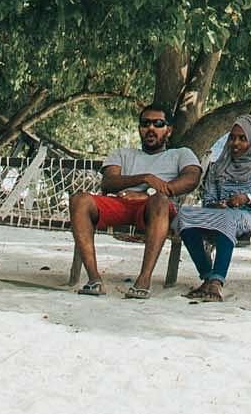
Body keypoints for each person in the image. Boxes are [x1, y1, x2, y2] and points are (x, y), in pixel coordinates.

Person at [66, 99, 196, 297]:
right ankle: (94, 279)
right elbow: (108, 182)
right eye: (145, 124)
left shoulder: (180, 154)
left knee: (160, 201)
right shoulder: (123, 153)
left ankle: (143, 280)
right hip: (121, 202)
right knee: (79, 200)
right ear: (139, 129)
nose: (150, 128)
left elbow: (192, 178)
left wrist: (149, 192)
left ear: (169, 130)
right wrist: (145, 178)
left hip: (154, 208)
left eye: (158, 124)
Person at [176, 115, 251, 300]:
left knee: (228, 218)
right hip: (219, 214)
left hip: (250, 216)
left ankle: (216, 282)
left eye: (242, 138)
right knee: (184, 216)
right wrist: (216, 204)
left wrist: (247, 199)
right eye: (232, 137)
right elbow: (209, 198)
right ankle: (206, 276)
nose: (235, 143)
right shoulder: (218, 166)